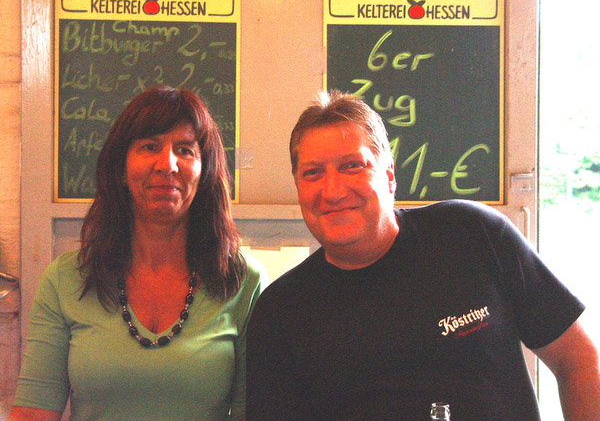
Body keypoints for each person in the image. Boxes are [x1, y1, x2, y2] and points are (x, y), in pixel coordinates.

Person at [246, 90, 600, 421]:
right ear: (298, 187)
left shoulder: (472, 235)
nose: (333, 191)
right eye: (313, 173)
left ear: (389, 176)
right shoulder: (280, 313)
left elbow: (578, 360)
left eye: (352, 166)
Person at [10, 86, 267, 421]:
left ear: (205, 172)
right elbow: (32, 413)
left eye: (185, 150)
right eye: (149, 146)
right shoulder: (65, 279)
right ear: (120, 168)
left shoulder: (243, 281)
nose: (168, 165)